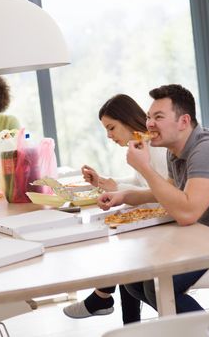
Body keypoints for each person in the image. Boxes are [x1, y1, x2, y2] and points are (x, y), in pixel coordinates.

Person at [96, 84, 209, 316]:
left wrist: (145, 168)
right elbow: (169, 191)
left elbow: (187, 213)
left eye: (158, 117)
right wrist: (126, 196)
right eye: (149, 117)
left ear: (184, 121)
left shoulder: (207, 150)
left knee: (157, 286)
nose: (149, 124)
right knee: (135, 282)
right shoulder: (174, 151)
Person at [63, 94, 167, 324]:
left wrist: (115, 188)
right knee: (121, 241)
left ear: (128, 120)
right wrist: (103, 182)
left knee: (122, 244)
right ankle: (112, 307)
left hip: (168, 223)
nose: (109, 136)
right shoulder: (142, 144)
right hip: (159, 218)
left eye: (111, 128)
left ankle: (104, 300)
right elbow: (142, 182)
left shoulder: (156, 148)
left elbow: (161, 193)